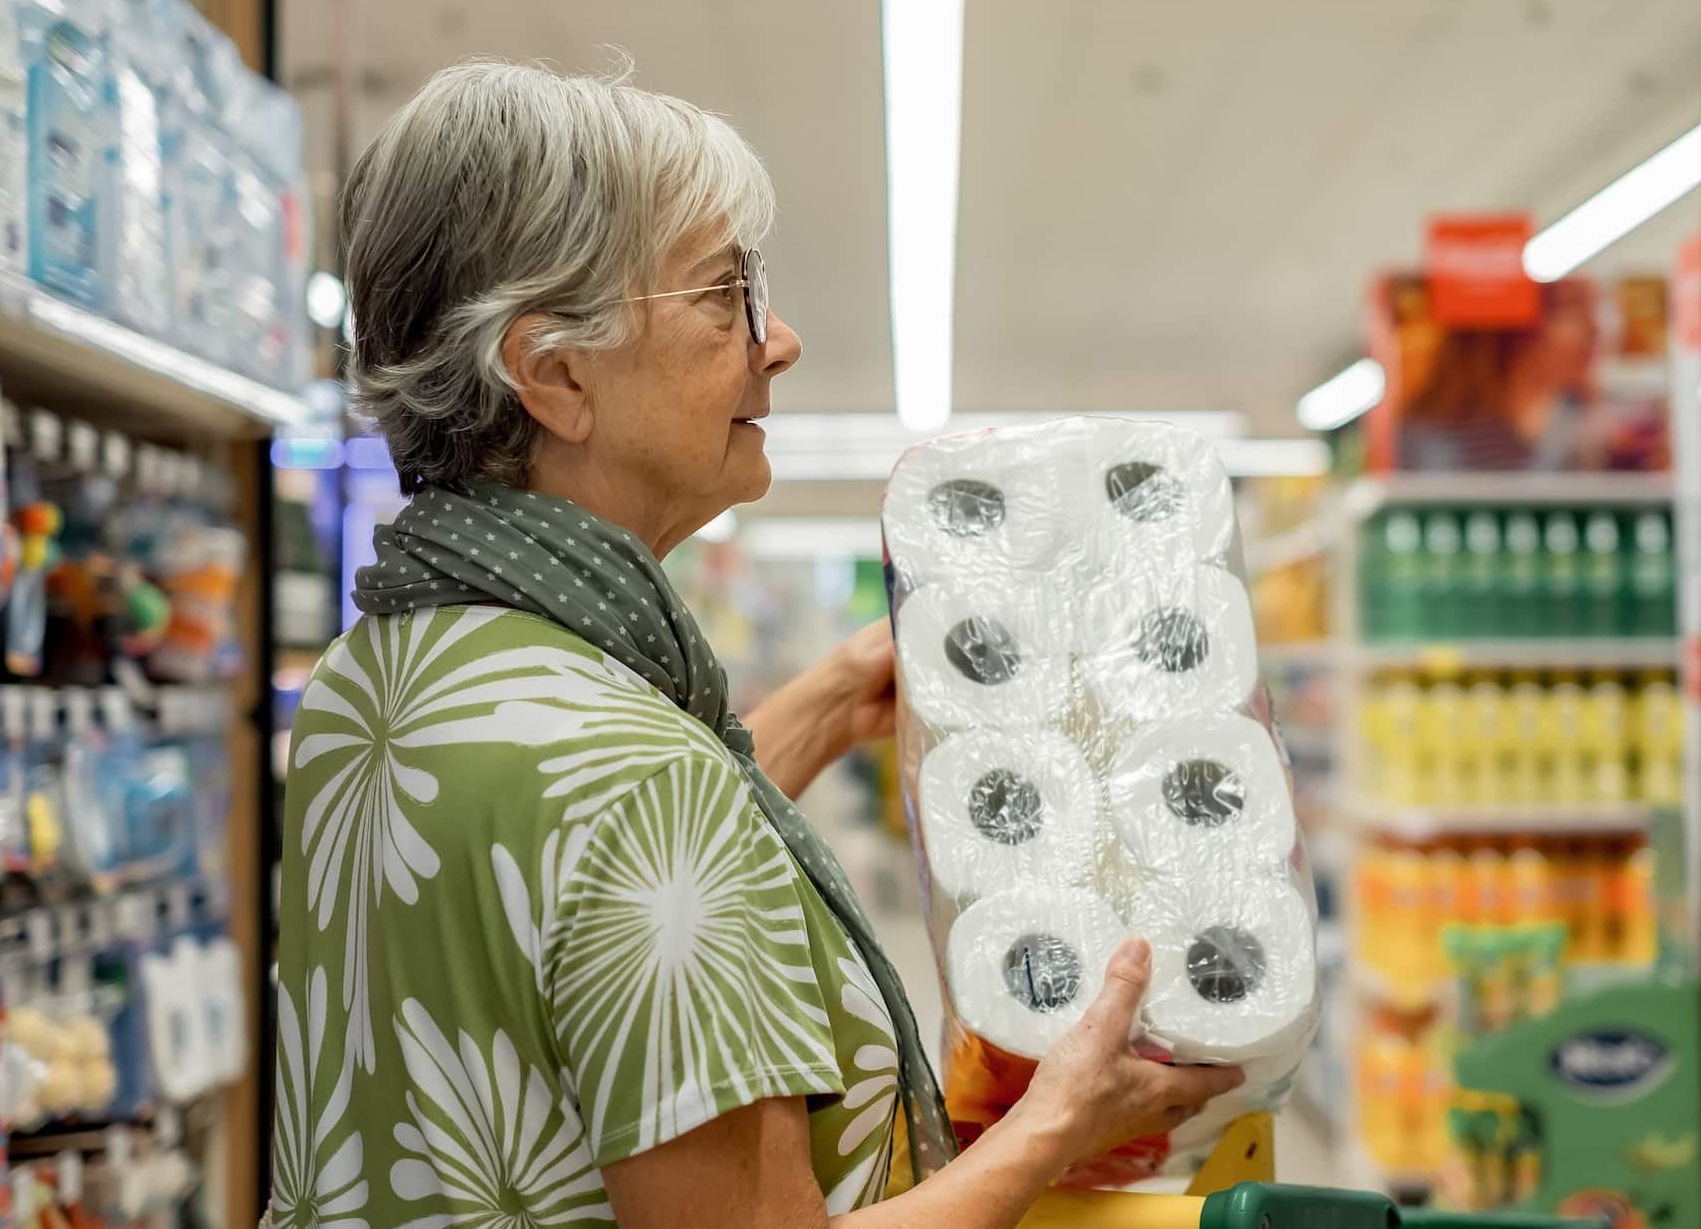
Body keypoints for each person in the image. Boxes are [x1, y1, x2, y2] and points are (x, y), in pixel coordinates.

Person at [265, 60, 1242, 1229]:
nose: (775, 340)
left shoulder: (377, 682)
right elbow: (649, 823)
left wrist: (834, 696)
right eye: (722, 295)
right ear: (555, 374)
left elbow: (578, 896)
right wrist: (1051, 1126)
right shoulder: (648, 786)